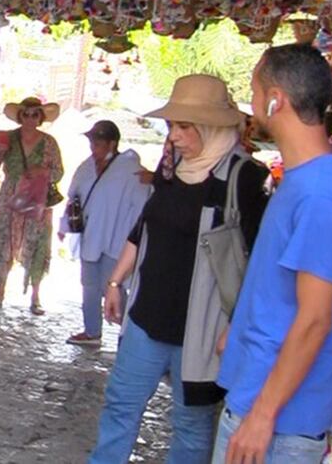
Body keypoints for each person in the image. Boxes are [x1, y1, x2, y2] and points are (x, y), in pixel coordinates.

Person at [89, 74, 270, 464]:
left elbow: (260, 263)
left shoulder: (244, 178)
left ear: (214, 127)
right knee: (120, 408)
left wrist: (237, 327)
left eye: (185, 126)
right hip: (146, 318)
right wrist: (116, 282)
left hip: (203, 331)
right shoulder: (170, 168)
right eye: (172, 126)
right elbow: (143, 227)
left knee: (191, 428)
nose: (174, 136)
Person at [213, 44, 332, 464]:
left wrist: (263, 415)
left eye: (253, 88)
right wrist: (240, 325)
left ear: (275, 99)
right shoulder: (303, 179)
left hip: (277, 421)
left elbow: (316, 318)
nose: (250, 101)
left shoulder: (322, 193)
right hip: (259, 394)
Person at [57, 120, 151, 347]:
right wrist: (65, 224)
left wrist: (134, 237)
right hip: (91, 235)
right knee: (89, 284)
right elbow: (75, 197)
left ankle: (131, 333)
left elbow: (140, 205)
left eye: (98, 142)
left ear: (112, 143)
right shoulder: (87, 167)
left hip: (117, 237)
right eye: (92, 141)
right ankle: (92, 330)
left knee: (111, 285)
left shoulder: (129, 169)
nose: (93, 146)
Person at [0, 96, 64, 315]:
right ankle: (0, 290)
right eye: (26, 114)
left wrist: (43, 172)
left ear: (41, 117)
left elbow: (59, 172)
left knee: (37, 242)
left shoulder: (49, 142)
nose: (30, 118)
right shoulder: (8, 138)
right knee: (5, 240)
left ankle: (35, 296)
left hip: (37, 197)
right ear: (20, 116)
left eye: (35, 114)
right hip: (11, 195)